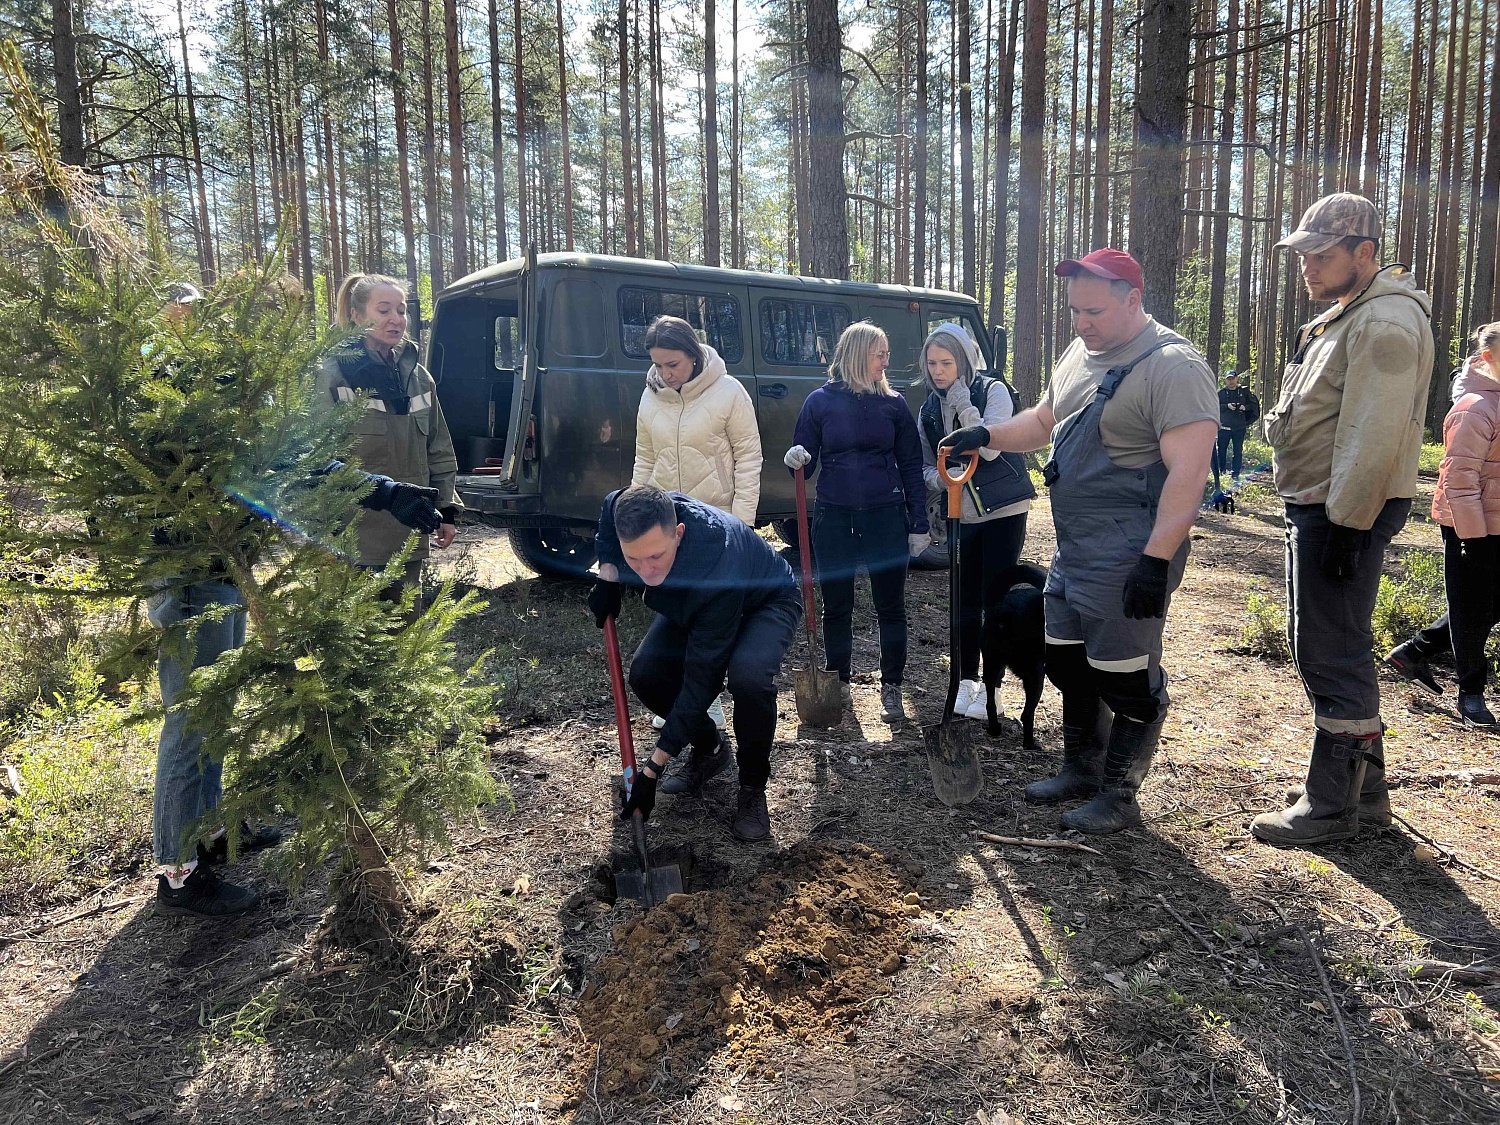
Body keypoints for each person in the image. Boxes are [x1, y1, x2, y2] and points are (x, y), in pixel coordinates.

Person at [151, 280, 446, 917]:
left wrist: (389, 491)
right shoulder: (168, 405)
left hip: (229, 572)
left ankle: (218, 829)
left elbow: (299, 466)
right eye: (184, 317)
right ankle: (178, 870)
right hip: (187, 574)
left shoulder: (236, 400)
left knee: (220, 704)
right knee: (192, 717)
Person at [942, 248, 1217, 834]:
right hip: (1075, 544)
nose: (1080, 323)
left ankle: (1119, 795)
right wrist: (987, 432)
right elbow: (1043, 421)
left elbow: (1190, 474)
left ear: (1133, 300)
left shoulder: (1173, 368)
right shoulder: (1080, 354)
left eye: (1092, 311)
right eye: (1073, 311)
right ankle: (1080, 768)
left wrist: (1156, 559)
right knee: (1067, 661)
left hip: (1129, 548)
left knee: (1127, 676)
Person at [1251, 192, 1434, 846]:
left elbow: (1372, 436)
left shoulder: (1382, 322)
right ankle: (1368, 796)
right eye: (1304, 255)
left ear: (1366, 252)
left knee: (1331, 651)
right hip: (1325, 505)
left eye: (1322, 255)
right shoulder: (1347, 316)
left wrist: (1350, 527)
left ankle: (1331, 808)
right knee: (1334, 646)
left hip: (1341, 511)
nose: (1309, 266)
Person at [588, 485, 801, 842]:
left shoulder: (717, 562)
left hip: (765, 599)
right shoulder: (635, 509)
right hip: (694, 598)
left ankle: (751, 790)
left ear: (679, 533)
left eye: (655, 557)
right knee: (647, 674)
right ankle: (711, 749)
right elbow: (611, 504)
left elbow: (702, 679)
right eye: (634, 559)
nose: (645, 570)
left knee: (749, 679)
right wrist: (609, 571)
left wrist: (653, 767)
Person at [783, 321, 930, 722]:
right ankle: (840, 681)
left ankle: (892, 685)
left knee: (890, 605)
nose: (886, 359)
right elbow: (804, 458)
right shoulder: (819, 402)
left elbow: (912, 465)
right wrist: (796, 457)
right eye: (879, 353)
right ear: (856, 354)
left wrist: (918, 522)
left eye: (885, 354)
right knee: (838, 605)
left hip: (885, 515)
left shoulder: (894, 405)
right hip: (835, 516)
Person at [630, 314, 762, 735]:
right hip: (668, 532)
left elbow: (748, 459)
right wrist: (631, 517)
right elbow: (645, 461)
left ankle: (710, 700)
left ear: (693, 354)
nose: (665, 374)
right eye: (658, 365)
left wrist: (740, 526)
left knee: (713, 620)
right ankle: (687, 696)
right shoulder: (650, 398)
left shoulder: (729, 393)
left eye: (673, 364)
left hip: (718, 528)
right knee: (676, 614)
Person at [317, 273, 462, 595]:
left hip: (409, 531)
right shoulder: (329, 375)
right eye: (384, 311)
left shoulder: (418, 377)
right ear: (356, 315)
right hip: (350, 541)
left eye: (401, 310)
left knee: (406, 633)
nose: (396, 320)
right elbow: (313, 461)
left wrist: (447, 510)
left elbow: (438, 448)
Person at [917, 323, 1034, 720]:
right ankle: (966, 680)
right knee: (962, 600)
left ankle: (992, 686)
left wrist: (965, 404)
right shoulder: (929, 410)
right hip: (959, 513)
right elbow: (924, 467)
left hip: (1002, 510)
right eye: (932, 362)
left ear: (964, 360)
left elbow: (991, 450)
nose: (938, 370)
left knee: (993, 600)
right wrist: (941, 475)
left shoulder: (991, 391)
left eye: (947, 362)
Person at [1427, 327, 1500, 727]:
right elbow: (1458, 479)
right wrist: (1473, 538)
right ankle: (1471, 694)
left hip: (1496, 522)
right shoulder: (1474, 406)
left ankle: (1418, 650)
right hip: (1469, 526)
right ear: (1487, 357)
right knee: (1472, 609)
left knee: (1489, 605)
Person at [1212, 370, 1260, 488]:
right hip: (1224, 427)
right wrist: (1226, 406)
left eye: (1233, 378)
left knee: (1237, 451)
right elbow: (1213, 406)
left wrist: (1245, 407)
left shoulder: (1244, 392)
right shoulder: (1220, 394)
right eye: (1228, 379)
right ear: (1225, 380)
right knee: (1221, 451)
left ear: (1237, 379)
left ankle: (1235, 474)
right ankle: (1222, 473)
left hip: (1239, 427)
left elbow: (1254, 406)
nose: (1231, 381)